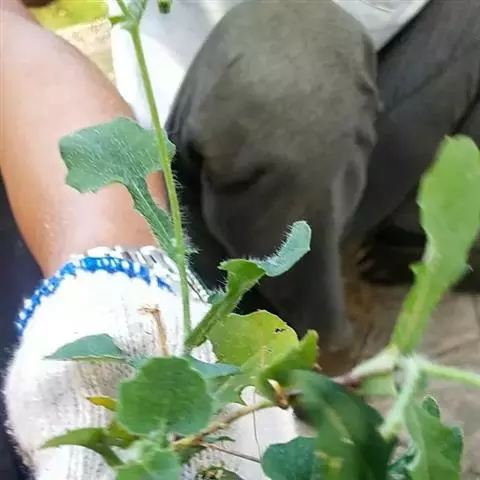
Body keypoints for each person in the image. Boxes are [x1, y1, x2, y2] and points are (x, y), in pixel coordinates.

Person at [1, 0, 479, 478]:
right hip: (232, 120)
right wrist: (119, 285)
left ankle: (400, 248)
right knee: (299, 59)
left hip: (389, 49)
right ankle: (303, 336)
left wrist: (111, 284)